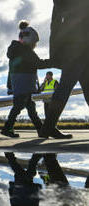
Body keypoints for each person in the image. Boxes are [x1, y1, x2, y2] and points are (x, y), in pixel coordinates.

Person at [39, 0, 89, 139]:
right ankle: (48, 128)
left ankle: (47, 128)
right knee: (66, 86)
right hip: (76, 48)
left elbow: (55, 24)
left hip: (79, 49)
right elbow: (56, 24)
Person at [1, 21, 52, 138]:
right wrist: (54, 61)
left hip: (19, 83)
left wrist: (10, 85)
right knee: (18, 106)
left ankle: (41, 130)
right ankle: (7, 128)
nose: (35, 45)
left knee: (31, 108)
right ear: (29, 40)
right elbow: (38, 64)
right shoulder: (25, 51)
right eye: (34, 43)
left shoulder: (16, 49)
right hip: (24, 83)